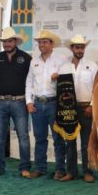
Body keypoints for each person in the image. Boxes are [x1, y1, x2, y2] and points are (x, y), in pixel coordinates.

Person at [0, 26, 32, 178]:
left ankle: (25, 168)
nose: (7, 44)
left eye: (9, 41)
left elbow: (30, 81)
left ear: (15, 42)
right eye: (5, 42)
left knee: (23, 136)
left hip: (19, 101)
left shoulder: (26, 58)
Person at [25, 29, 68, 179]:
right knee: (39, 137)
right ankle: (40, 168)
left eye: (44, 42)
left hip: (54, 103)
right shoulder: (33, 62)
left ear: (52, 44)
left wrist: (60, 77)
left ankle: (60, 169)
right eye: (39, 42)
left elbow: (68, 81)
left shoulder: (61, 60)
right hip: (37, 103)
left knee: (57, 137)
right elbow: (29, 83)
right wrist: (29, 101)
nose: (41, 45)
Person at [58, 35, 98, 182]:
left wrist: (92, 105)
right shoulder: (63, 67)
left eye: (82, 47)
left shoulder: (92, 66)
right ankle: (71, 172)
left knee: (87, 142)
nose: (80, 50)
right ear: (72, 48)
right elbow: (61, 90)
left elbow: (97, 88)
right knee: (70, 141)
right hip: (69, 110)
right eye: (77, 47)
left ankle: (88, 172)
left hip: (86, 107)